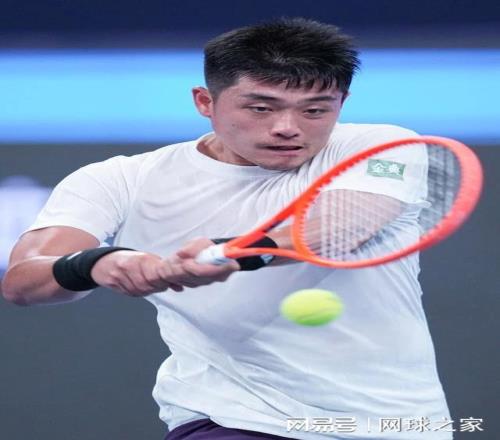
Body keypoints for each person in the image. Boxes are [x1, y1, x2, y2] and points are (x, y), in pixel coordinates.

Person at [2, 18, 452, 440]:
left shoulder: (380, 146)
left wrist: (228, 254)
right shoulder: (119, 179)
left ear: (342, 104)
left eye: (315, 110)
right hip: (231, 418)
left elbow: (341, 227)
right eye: (260, 108)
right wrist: (99, 263)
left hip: (400, 422)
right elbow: (24, 279)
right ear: (205, 102)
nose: (287, 128)